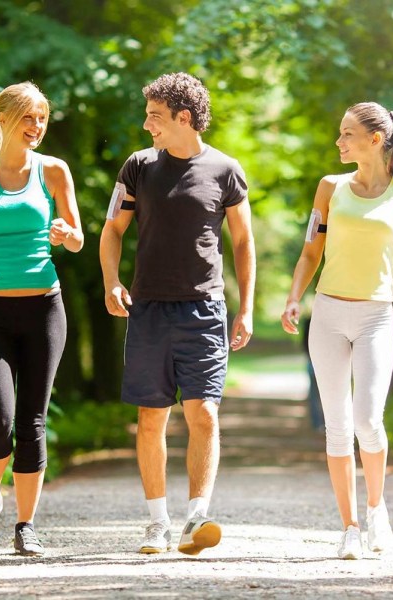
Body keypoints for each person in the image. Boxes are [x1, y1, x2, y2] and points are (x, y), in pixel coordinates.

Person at [100, 72, 255, 555]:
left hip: (204, 308)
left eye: (154, 117)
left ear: (183, 118)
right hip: (148, 309)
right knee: (151, 418)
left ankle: (196, 519)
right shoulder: (138, 167)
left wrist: (246, 307)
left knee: (204, 413)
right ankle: (157, 524)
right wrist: (111, 281)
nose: (147, 125)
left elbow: (244, 242)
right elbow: (111, 230)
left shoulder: (226, 170)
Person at [281, 102, 393, 560]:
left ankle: (375, 509)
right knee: (337, 426)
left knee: (368, 419)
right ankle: (348, 526)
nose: (338, 142)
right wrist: (293, 296)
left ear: (375, 139)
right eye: (339, 133)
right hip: (327, 315)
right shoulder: (330, 188)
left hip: (376, 318)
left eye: (347, 134)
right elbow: (311, 251)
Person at [0, 81, 84, 556]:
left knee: (32, 421)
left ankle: (26, 525)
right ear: (3, 119)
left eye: (42, 118)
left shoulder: (53, 171)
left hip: (45, 308)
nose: (37, 127)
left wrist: (66, 233)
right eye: (28, 117)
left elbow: (77, 238)